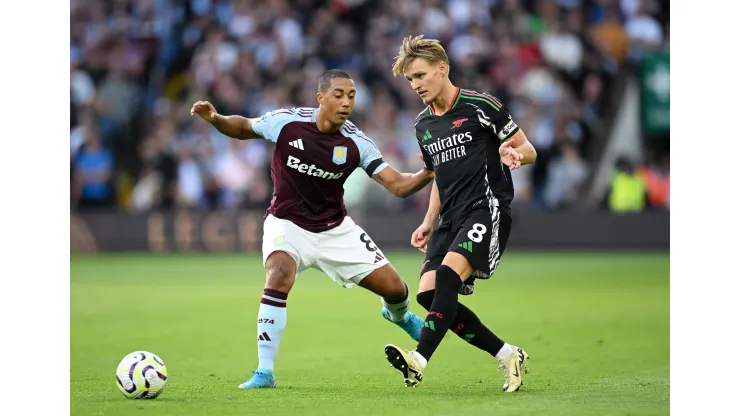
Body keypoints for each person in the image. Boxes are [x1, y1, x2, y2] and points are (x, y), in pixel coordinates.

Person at [191, 69, 434, 389]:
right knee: (278, 274)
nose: (346, 102)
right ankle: (265, 371)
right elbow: (244, 127)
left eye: (351, 96)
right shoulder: (287, 123)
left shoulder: (356, 142)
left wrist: (430, 170)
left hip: (335, 229)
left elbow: (398, 185)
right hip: (286, 223)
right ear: (321, 98)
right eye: (338, 95)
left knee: (396, 289)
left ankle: (399, 316)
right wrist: (216, 118)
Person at [382, 35, 538, 393]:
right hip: (450, 218)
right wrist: (428, 221)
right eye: (410, 80)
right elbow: (439, 176)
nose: (415, 85)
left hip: (487, 206)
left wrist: (516, 156)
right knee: (428, 294)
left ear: (442, 68)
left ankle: (418, 360)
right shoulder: (423, 126)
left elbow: (527, 148)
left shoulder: (480, 105)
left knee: (449, 277)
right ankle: (506, 353)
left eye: (420, 75)